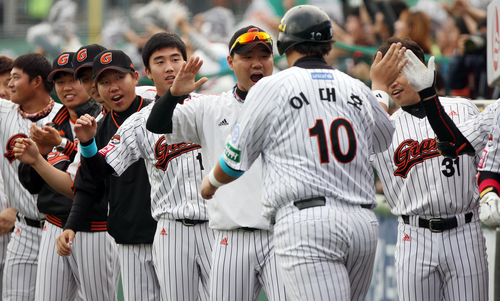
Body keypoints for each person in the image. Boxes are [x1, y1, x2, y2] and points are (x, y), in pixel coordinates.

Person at [199, 5, 394, 301]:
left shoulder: (271, 86)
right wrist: (377, 91)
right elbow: (382, 138)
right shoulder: (355, 87)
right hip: (362, 223)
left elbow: (234, 162)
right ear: (329, 44)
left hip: (307, 221)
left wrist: (210, 184)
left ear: (283, 45)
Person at [62, 32, 214, 301]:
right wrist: (86, 145)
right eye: (159, 61)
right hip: (166, 229)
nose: (169, 67)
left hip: (213, 227)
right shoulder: (135, 122)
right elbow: (96, 175)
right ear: (147, 71)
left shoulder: (213, 106)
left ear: (134, 76)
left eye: (175, 59)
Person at [146, 26, 289, 301]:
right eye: (247, 56)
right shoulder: (211, 107)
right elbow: (157, 125)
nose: (257, 63)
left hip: (279, 235)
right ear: (231, 62)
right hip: (229, 239)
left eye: (264, 55)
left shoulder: (291, 105)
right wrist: (174, 94)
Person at [369, 37, 488, 301]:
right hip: (414, 235)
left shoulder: (462, 108)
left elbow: (488, 161)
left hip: (464, 230)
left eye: (400, 71)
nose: (393, 82)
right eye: (388, 75)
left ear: (422, 68)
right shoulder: (383, 126)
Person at [56, 49, 160, 301]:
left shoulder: (160, 113)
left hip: (173, 231)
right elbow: (89, 183)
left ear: (135, 77)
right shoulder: (97, 129)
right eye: (103, 82)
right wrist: (71, 225)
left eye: (119, 78)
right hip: (130, 236)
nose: (113, 87)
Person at [14, 51, 119, 301]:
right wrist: (36, 155)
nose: (66, 87)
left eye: (73, 79)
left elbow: (95, 177)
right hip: (53, 226)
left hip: (94, 229)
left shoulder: (104, 120)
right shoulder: (52, 121)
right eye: (59, 81)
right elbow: (31, 183)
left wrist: (62, 144)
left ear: (88, 81)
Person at [0, 53, 63, 301]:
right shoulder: (4, 113)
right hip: (24, 229)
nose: (10, 84)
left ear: (36, 81)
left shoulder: (65, 116)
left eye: (16, 78)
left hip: (60, 229)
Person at [0, 55, 16, 299]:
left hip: (20, 227)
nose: (3, 91)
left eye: (8, 82)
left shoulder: (33, 125)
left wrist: (15, 210)